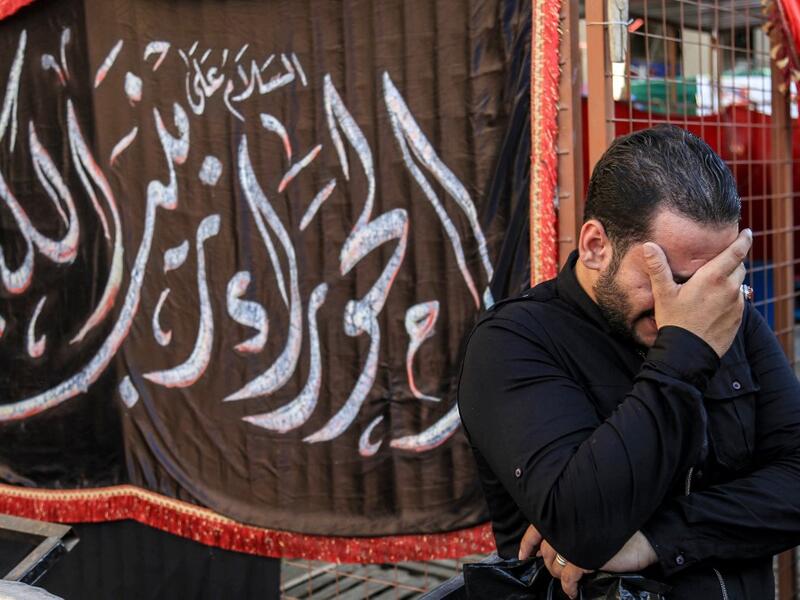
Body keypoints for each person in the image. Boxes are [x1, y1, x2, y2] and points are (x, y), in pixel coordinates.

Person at [458, 124, 800, 599]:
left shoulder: (723, 314)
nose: (692, 303)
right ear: (597, 246)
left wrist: (657, 539)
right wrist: (685, 350)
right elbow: (583, 525)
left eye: (712, 280)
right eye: (672, 280)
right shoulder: (514, 342)